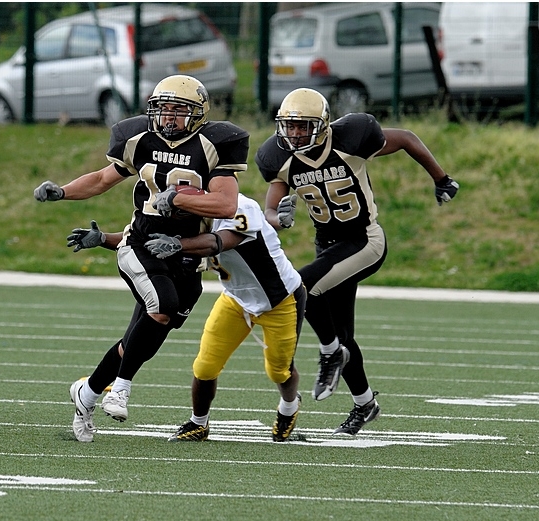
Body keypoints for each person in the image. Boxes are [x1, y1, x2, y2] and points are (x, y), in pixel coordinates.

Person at [34, 75, 248, 442]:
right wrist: (63, 192)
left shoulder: (215, 143)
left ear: (198, 113)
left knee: (141, 340)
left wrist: (177, 198)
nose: (168, 116)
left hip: (185, 256)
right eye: (163, 108)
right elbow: (102, 179)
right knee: (162, 306)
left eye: (178, 109)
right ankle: (119, 390)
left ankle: (86, 393)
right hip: (140, 245)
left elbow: (226, 204)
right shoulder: (139, 138)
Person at [256, 88, 460, 436]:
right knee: (343, 336)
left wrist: (441, 178)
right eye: (290, 126)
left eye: (304, 126)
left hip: (364, 240)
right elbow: (270, 210)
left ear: (322, 125)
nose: (296, 134)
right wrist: (279, 217)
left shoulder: (350, 139)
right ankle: (364, 403)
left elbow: (406, 138)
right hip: (328, 248)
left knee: (301, 287)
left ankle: (330, 353)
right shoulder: (279, 157)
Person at [68, 192, 306, 442]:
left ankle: (289, 407)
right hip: (235, 298)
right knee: (204, 366)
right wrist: (104, 238)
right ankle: (198, 423)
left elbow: (217, 242)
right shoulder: (185, 211)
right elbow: (143, 241)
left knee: (278, 370)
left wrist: (178, 244)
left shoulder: (239, 207)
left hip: (280, 299)